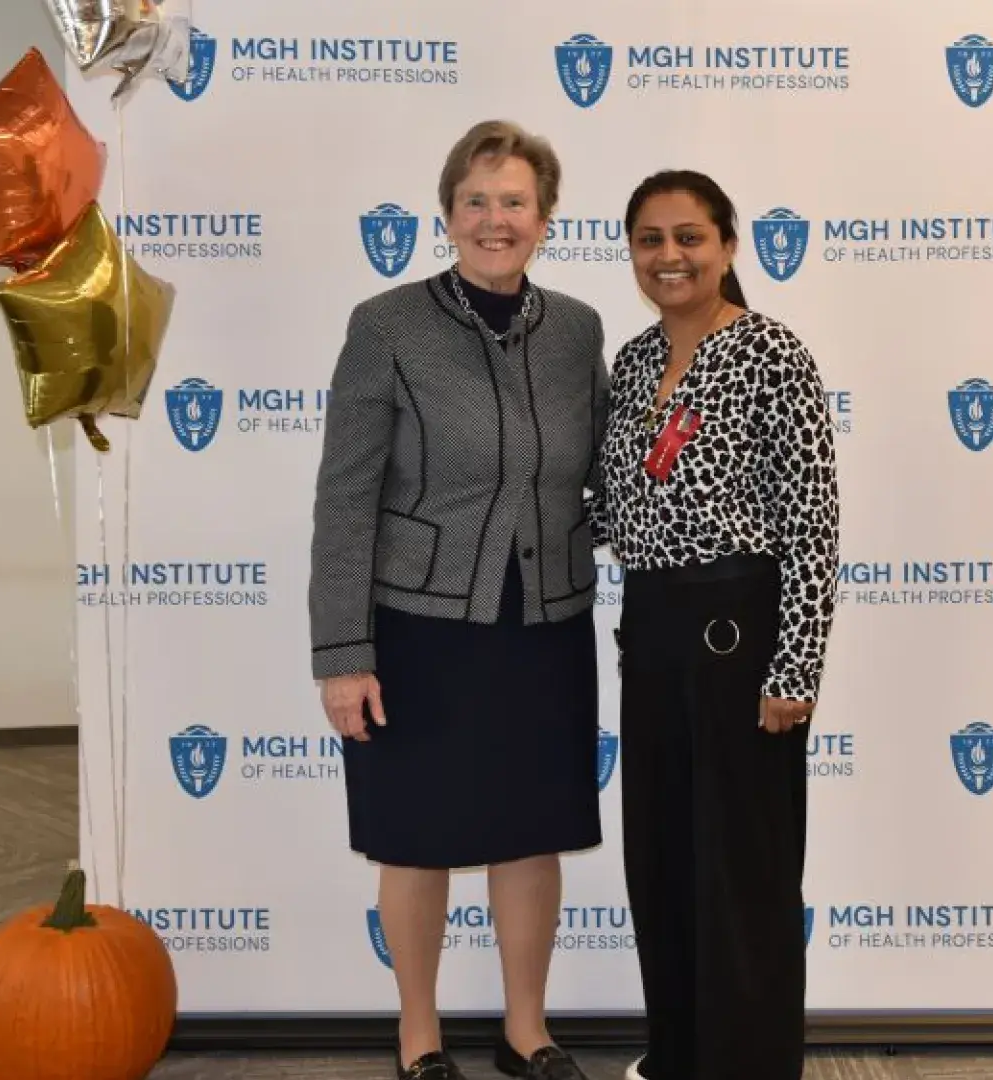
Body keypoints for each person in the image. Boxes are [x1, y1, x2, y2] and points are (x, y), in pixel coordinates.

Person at [308, 119, 608, 1080]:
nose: (495, 219)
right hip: (421, 630)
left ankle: (528, 1032)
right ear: (447, 213)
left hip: (546, 623)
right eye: (476, 201)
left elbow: (599, 472)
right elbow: (347, 496)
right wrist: (343, 652)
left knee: (532, 832)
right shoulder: (386, 325)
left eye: (514, 202)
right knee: (420, 835)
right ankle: (419, 1036)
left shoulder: (578, 330)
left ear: (545, 219)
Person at [596, 170, 841, 1080]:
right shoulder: (628, 363)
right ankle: (679, 1053)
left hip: (743, 640)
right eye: (650, 239)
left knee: (743, 875)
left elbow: (813, 518)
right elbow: (613, 505)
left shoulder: (774, 353)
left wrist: (797, 666)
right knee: (660, 863)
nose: (670, 256)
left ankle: (747, 1063)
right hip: (652, 635)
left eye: (690, 237)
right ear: (631, 252)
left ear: (729, 247)